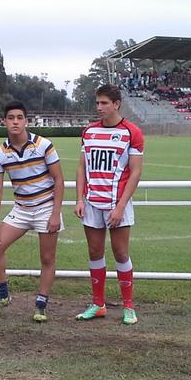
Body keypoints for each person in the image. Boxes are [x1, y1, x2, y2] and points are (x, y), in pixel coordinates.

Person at [0, 100, 64, 322]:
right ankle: (2, 295)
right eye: (11, 118)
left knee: (47, 257)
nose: (15, 122)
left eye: (20, 118)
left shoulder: (43, 145)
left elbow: (59, 180)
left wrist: (56, 213)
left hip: (45, 207)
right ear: (3, 122)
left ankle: (41, 303)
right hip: (21, 209)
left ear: (26, 121)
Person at [74, 84, 144, 325]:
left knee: (121, 253)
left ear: (116, 104)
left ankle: (129, 306)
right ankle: (98, 304)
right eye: (97, 103)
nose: (99, 107)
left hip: (117, 204)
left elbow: (135, 173)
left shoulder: (131, 132)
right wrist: (79, 199)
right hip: (92, 203)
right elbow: (82, 166)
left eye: (104, 103)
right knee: (94, 252)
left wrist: (121, 206)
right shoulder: (89, 131)